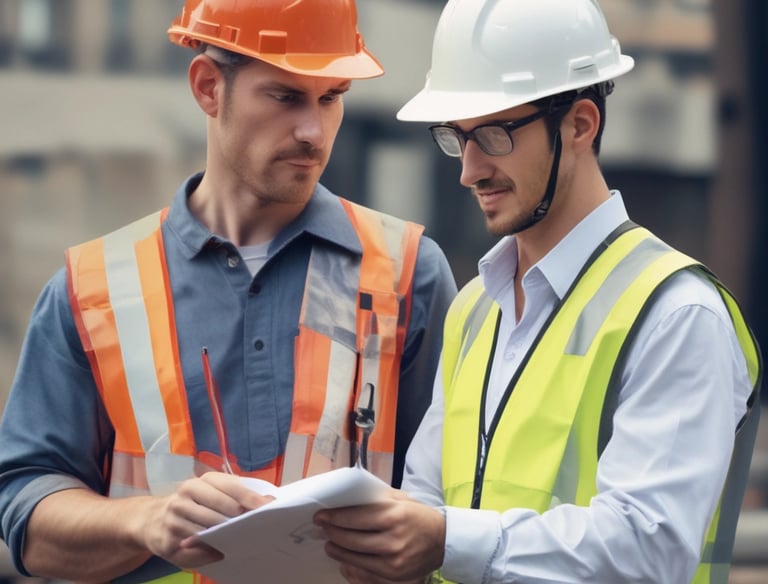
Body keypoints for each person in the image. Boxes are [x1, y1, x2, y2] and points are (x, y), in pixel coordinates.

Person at [0, 1, 457, 583]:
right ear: (209, 87)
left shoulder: (409, 273)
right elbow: (25, 515)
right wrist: (146, 520)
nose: (313, 131)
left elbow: (456, 502)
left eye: (331, 96)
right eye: (285, 96)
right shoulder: (91, 289)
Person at [314, 1, 762, 583]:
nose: (469, 171)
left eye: (494, 135)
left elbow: (650, 547)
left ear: (580, 125)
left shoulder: (677, 314)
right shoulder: (476, 308)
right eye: (457, 137)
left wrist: (447, 539)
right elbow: (425, 504)